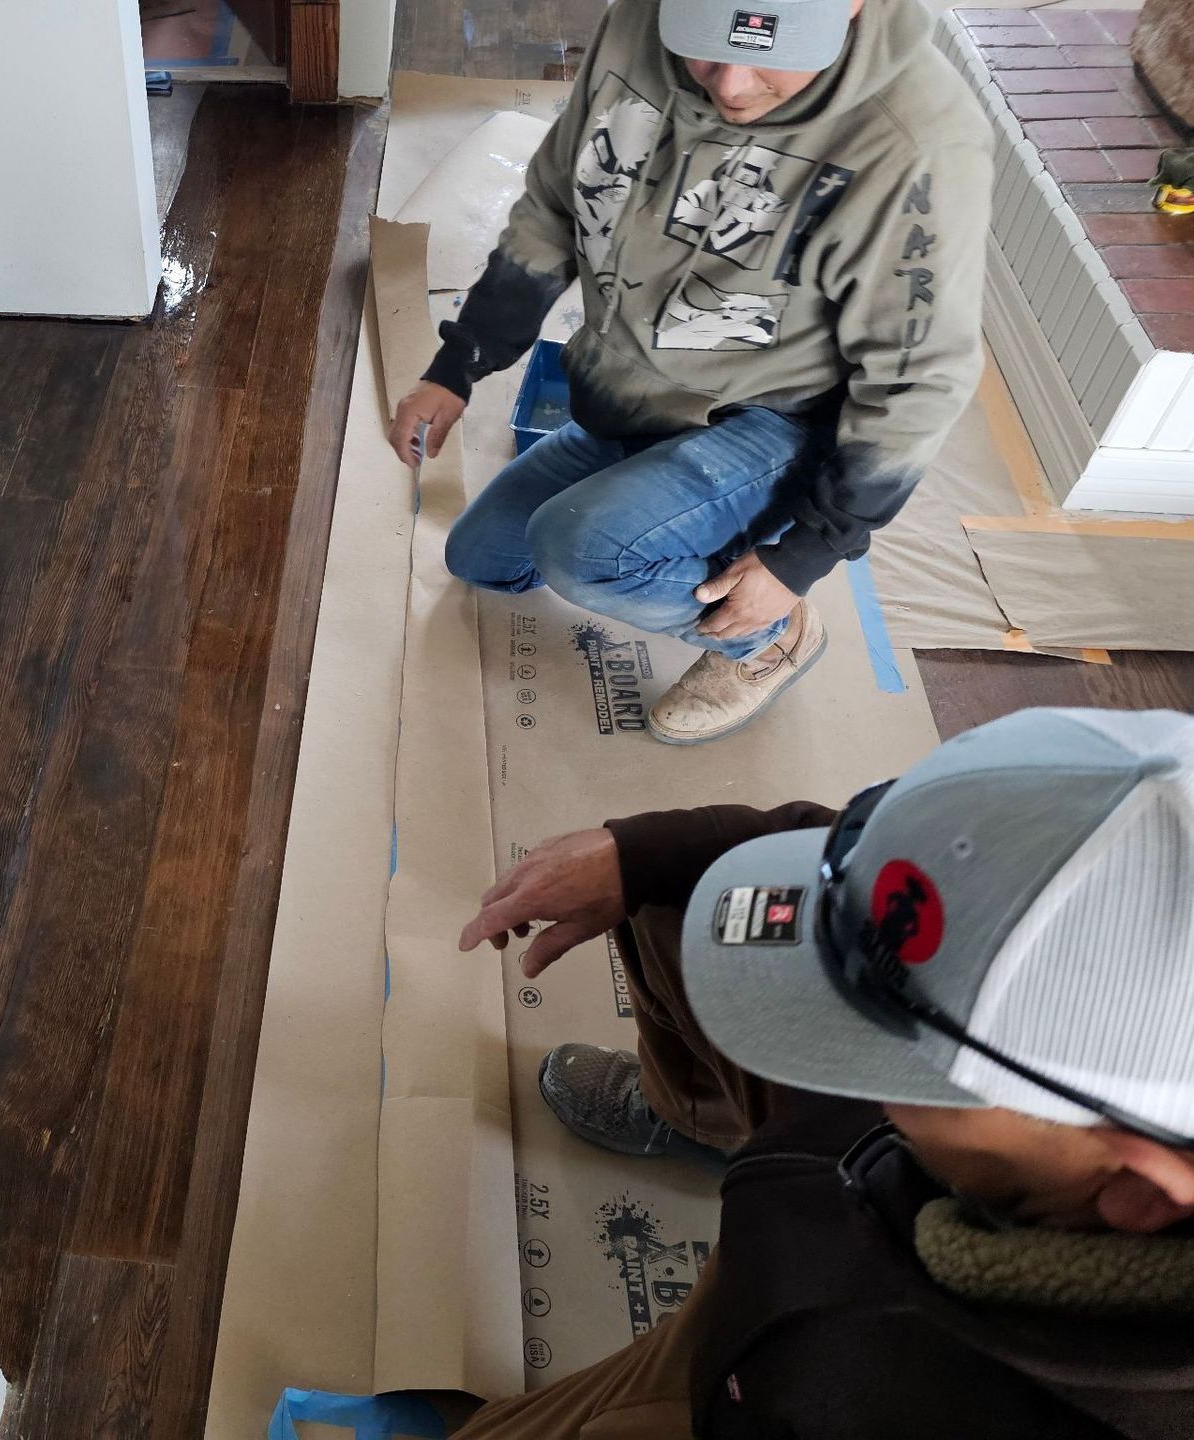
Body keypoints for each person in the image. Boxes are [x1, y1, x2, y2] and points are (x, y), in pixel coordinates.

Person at [455, 707, 1194, 1437]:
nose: (817, 1021)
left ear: (1142, 1192)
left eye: (886, 1050)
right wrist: (647, 853)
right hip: (810, 1212)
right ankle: (697, 1116)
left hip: (763, 1354)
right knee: (694, 900)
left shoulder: (860, 1393)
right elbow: (872, 862)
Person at [389, 0, 993, 745]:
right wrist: (458, 364)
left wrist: (800, 557)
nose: (730, 86)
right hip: (639, 388)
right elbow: (554, 207)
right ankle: (636, 490)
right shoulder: (634, 26)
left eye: (770, 53)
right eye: (703, 48)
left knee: (578, 549)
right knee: (480, 558)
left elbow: (916, 377)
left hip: (777, 418)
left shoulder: (918, 142)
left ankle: (768, 640)